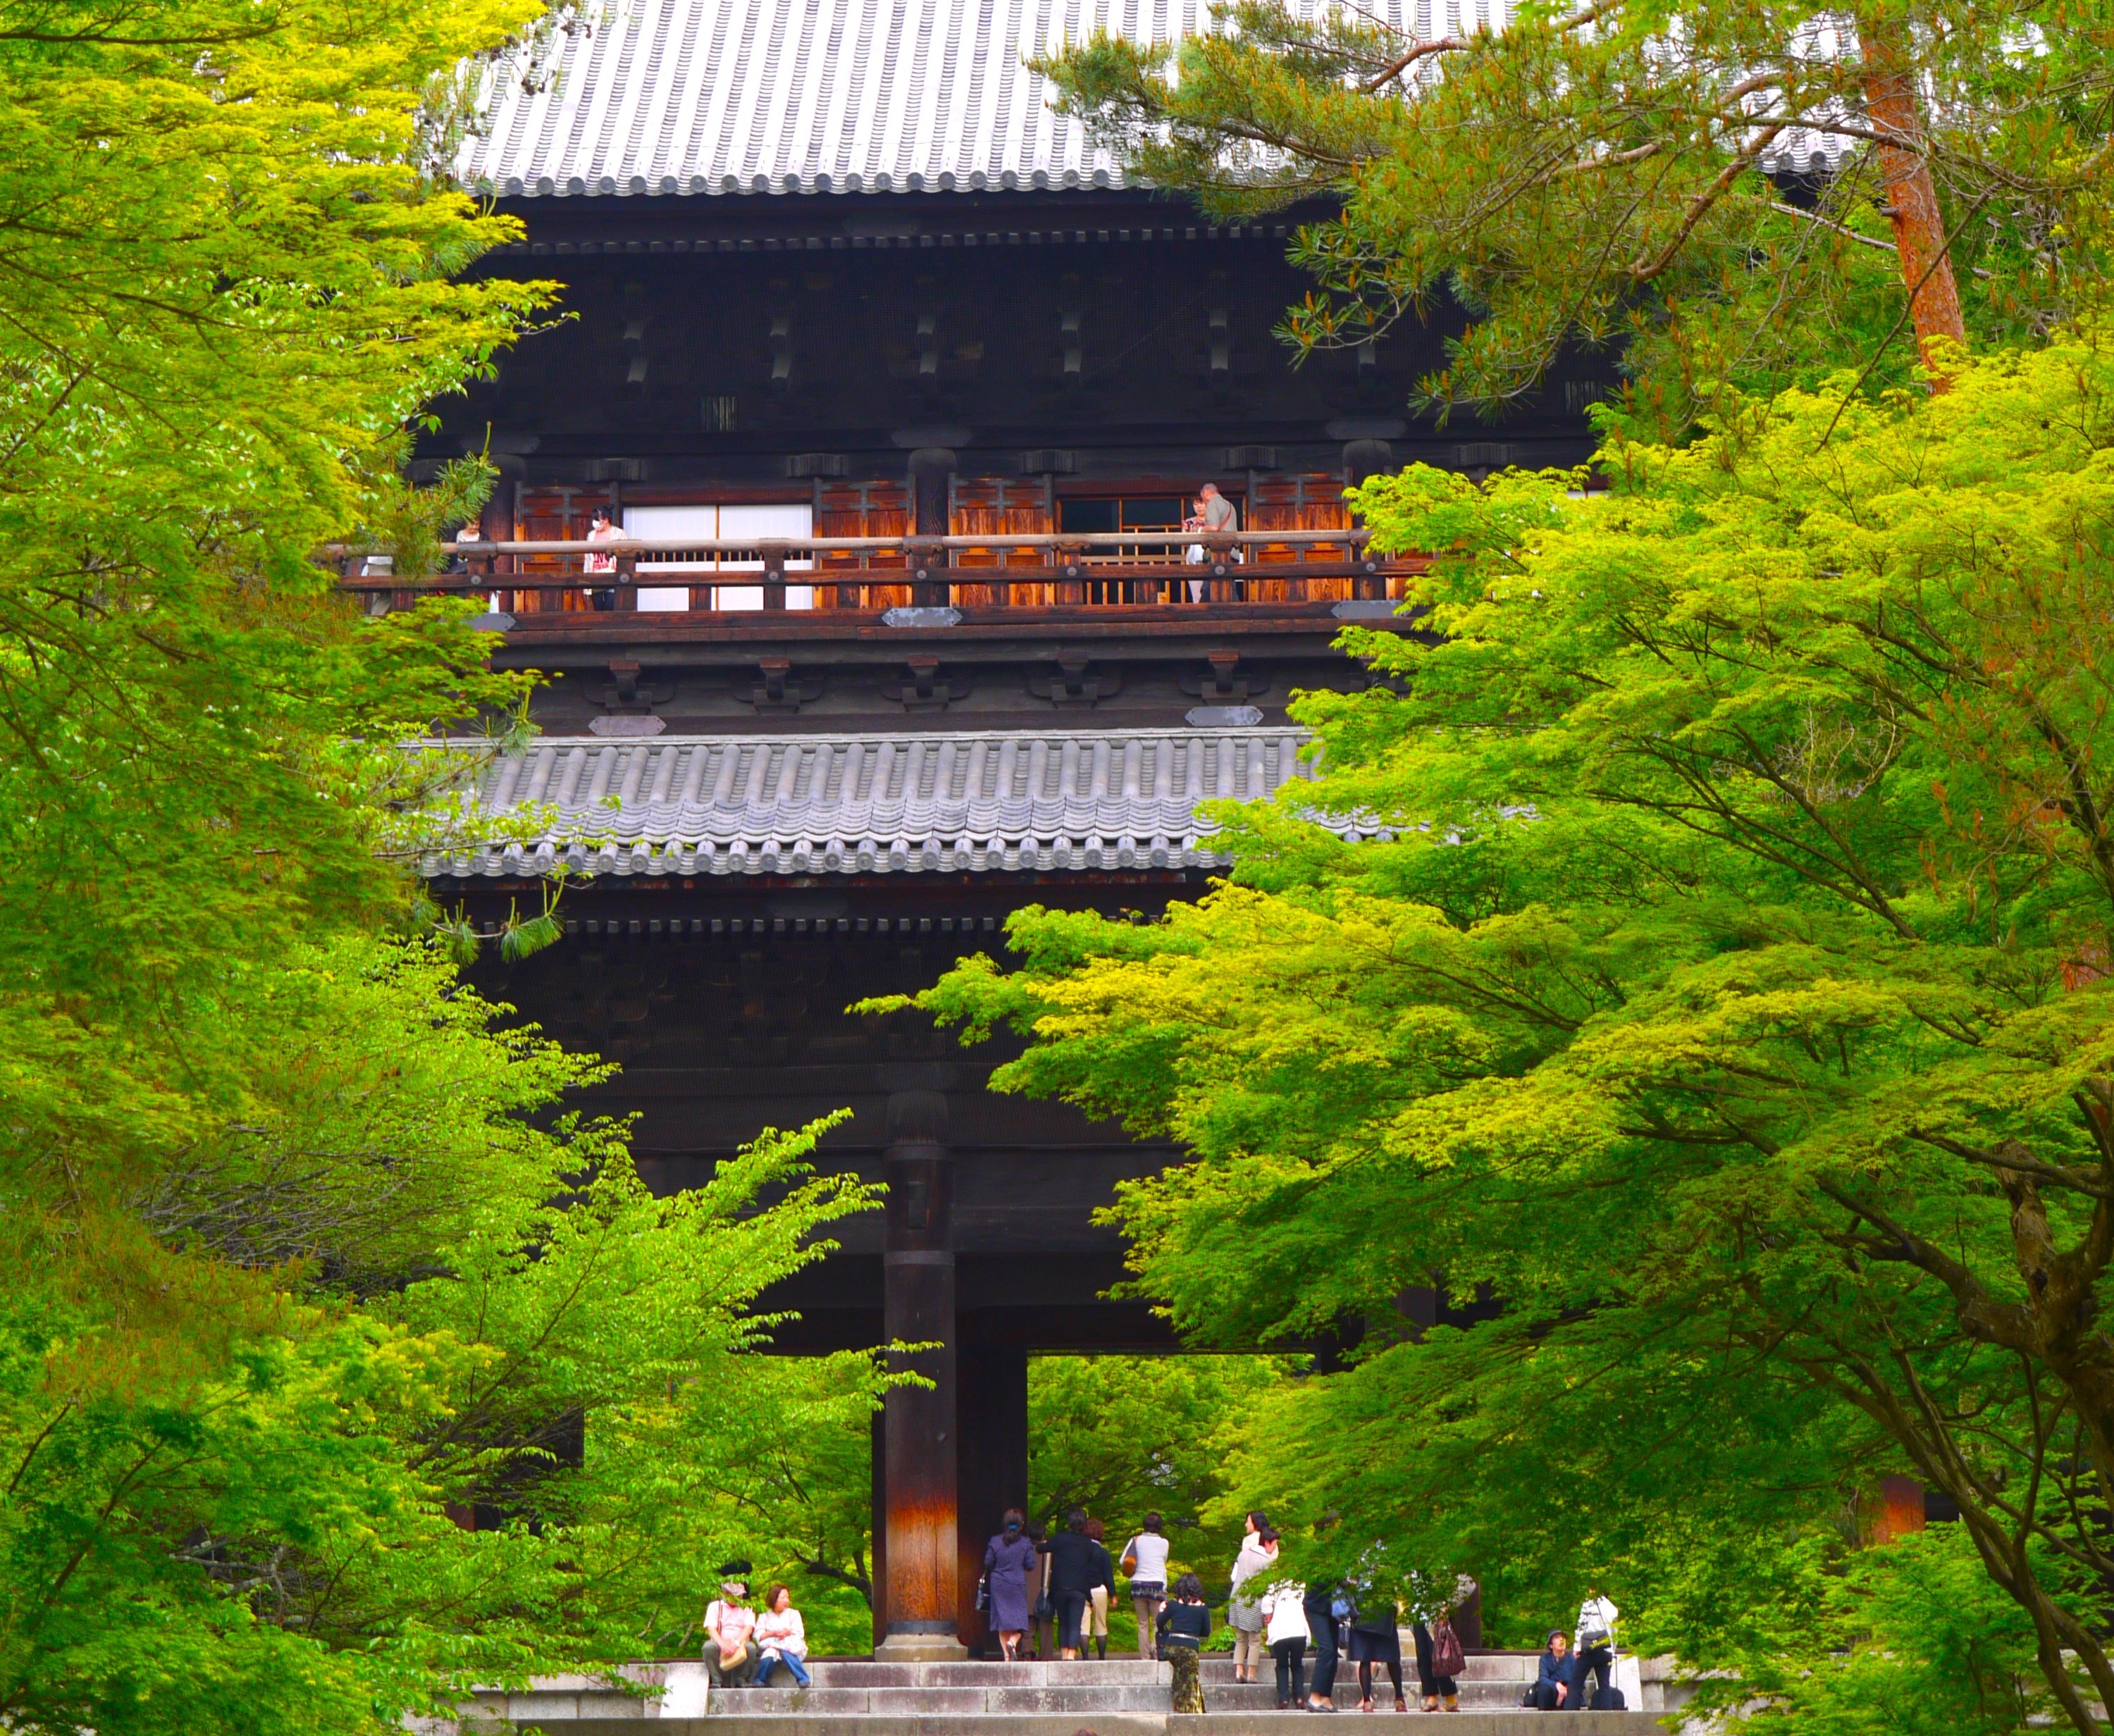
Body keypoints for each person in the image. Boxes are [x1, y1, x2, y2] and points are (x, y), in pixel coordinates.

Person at [1345, 1553, 1407, 1713]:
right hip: (1381, 1606)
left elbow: (1348, 1581)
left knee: (1367, 1657)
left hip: (1363, 1607)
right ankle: (1398, 1699)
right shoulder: (1387, 1549)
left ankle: (1368, 1701)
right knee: (1390, 1657)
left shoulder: (1354, 1552)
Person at [1041, 1508, 1101, 1661]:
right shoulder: (1087, 1544)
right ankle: (1071, 1656)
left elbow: (1041, 1548)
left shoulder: (1059, 1539)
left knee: (1063, 1622)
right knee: (1075, 1624)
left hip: (1060, 1587)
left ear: (1069, 1521)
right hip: (1079, 1589)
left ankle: (1063, 1655)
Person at [984, 1509, 1039, 1661]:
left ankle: (1007, 1657)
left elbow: (988, 1562)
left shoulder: (995, 1541)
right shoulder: (1025, 1543)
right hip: (1016, 1584)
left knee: (1002, 1622)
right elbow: (1030, 1565)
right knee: (1021, 1621)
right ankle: (1013, 1641)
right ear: (1022, 1525)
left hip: (999, 1584)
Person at [1157, 1571, 1213, 1713]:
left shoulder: (1174, 1604)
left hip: (1172, 1647)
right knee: (1189, 1682)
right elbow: (1206, 1632)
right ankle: (1190, 1710)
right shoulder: (1202, 1607)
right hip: (1190, 1648)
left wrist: (1161, 1610)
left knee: (1179, 1676)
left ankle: (1178, 1705)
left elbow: (1160, 1623)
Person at [1407, 1571, 1461, 1713]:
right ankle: (1431, 1696)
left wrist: (1444, 1607)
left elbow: (1447, 1582)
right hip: (1417, 1611)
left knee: (1439, 1654)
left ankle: (1451, 1697)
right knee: (1423, 1655)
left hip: (1435, 1611)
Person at [1121, 1513, 1172, 1660]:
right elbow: (1163, 1560)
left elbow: (1123, 1561)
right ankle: (1157, 1653)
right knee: (1158, 1623)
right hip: (1157, 1585)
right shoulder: (1164, 1543)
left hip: (1138, 1586)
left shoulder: (1136, 1540)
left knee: (1142, 1624)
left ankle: (1144, 1657)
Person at [1261, 1576, 1311, 1710]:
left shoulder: (1275, 1582)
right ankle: (1299, 1697)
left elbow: (1266, 1603)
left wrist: (1268, 1618)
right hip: (1298, 1628)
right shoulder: (1301, 1582)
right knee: (1297, 1665)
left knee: (1282, 1665)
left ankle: (1283, 1698)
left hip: (1280, 1629)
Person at [701, 1570, 759, 1687]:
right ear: (725, 1593)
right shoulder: (715, 1606)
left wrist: (737, 1643)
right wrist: (723, 1645)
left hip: (741, 1642)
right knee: (708, 1647)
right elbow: (711, 1629)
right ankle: (717, 1679)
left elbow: (748, 1628)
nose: (738, 1598)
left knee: (751, 1648)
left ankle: (742, 1679)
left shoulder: (747, 1607)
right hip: (720, 1643)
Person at [753, 1585, 810, 1689]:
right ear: (774, 1598)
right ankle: (760, 1679)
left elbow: (799, 1633)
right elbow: (759, 1636)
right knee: (770, 1653)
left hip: (789, 1646)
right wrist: (773, 1633)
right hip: (771, 1646)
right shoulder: (764, 1616)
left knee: (786, 1651)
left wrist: (787, 1632)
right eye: (783, 1597)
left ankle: (803, 1679)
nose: (786, 1600)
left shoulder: (794, 1614)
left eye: (787, 1597)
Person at [1571, 1585, 1619, 1709]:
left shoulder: (1588, 1605)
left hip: (1589, 1650)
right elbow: (1615, 1632)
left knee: (1576, 1684)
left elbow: (1581, 1627)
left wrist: (1577, 1647)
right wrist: (1612, 1650)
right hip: (1605, 1651)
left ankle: (1570, 1714)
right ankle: (1606, 1716)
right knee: (1604, 1685)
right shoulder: (1612, 1608)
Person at [1303, 1580, 1345, 1712]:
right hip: (1316, 1605)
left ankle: (1326, 1697)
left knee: (1333, 1652)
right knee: (1326, 1649)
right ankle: (1314, 1696)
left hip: (1332, 1608)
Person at [1080, 1518, 1115, 1660]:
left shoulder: (1080, 1552)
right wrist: (1113, 1595)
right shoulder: (1103, 1552)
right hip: (1100, 1590)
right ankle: (1101, 1657)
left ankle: (1085, 1658)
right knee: (1101, 1625)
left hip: (1082, 1590)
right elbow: (1109, 1575)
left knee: (1083, 1626)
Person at [1025, 1522, 1053, 1659]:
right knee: (1046, 1631)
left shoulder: (1023, 1551)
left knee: (1028, 1630)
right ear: (1043, 1535)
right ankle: (1046, 1657)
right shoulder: (1048, 1552)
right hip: (1045, 1594)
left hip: (1027, 1595)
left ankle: (1027, 1653)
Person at [585, 504, 619, 610]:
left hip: (612, 575)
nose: (595, 522)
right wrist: (586, 584)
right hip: (595, 576)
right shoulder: (591, 535)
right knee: (598, 609)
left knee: (610, 606)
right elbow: (588, 559)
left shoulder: (618, 534)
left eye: (597, 519)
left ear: (606, 520)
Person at [1532, 1631, 1571, 1710]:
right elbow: (1543, 1678)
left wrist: (1565, 1689)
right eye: (1557, 1638)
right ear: (1551, 1645)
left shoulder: (1572, 1659)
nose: (1561, 1640)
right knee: (1544, 1689)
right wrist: (1556, 1685)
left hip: (1568, 1694)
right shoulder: (1545, 1659)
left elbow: (1579, 1680)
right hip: (1552, 1693)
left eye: (1562, 1638)